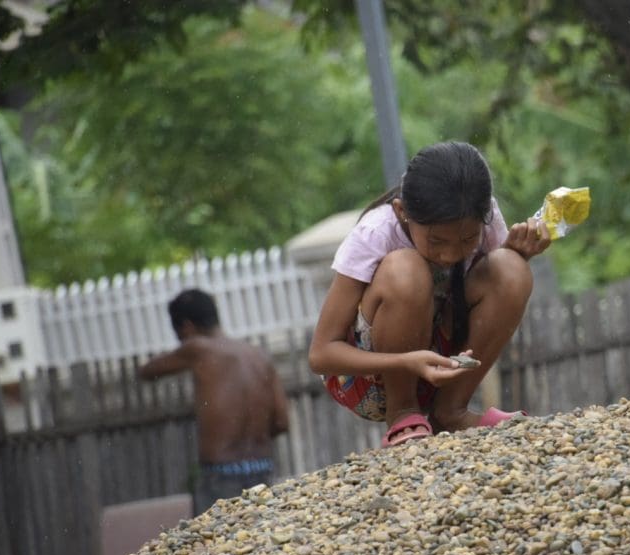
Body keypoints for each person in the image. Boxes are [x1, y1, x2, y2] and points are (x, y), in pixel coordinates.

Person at [308, 141, 551, 447]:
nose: (450, 255)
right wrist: (405, 362)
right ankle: (403, 412)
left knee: (511, 268)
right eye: (436, 241)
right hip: (368, 381)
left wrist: (519, 252)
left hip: (441, 370)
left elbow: (496, 287)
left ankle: (450, 411)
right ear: (402, 212)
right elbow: (321, 355)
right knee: (406, 268)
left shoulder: (482, 214)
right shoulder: (376, 232)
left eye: (467, 240)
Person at [139, 289, 289, 514]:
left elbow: (147, 371)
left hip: (221, 476)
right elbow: (281, 422)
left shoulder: (197, 348)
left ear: (187, 327)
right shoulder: (260, 356)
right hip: (262, 470)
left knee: (217, 537)